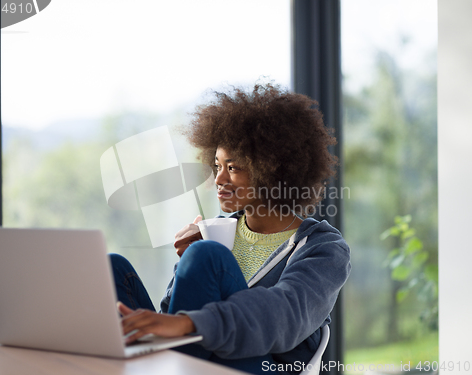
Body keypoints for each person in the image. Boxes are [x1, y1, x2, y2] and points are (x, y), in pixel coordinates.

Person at [110, 83, 351, 375]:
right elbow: (169, 314)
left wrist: (192, 320)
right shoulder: (218, 231)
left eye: (233, 167)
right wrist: (187, 265)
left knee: (207, 256)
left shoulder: (323, 248)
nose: (218, 179)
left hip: (261, 365)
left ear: (274, 170)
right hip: (196, 357)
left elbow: (285, 315)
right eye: (217, 165)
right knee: (113, 268)